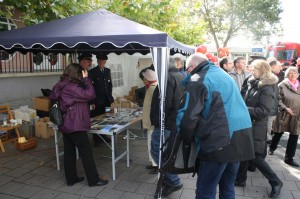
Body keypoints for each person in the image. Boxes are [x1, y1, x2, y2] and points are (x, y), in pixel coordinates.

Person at [179, 53, 255, 199]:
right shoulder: (222, 73)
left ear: (194, 66)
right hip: (240, 137)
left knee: (205, 190)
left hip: (219, 140)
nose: (186, 72)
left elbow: (188, 118)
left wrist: (186, 139)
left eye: (187, 69)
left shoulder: (198, 79)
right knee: (227, 187)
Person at [49, 63, 108, 187]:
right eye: (82, 73)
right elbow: (90, 94)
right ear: (77, 74)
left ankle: (71, 179)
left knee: (69, 152)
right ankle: (93, 180)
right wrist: (86, 79)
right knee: (86, 152)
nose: (83, 75)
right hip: (75, 124)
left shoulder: (60, 84)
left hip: (65, 123)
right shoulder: (72, 87)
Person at [235, 60, 283, 198]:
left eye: (254, 69)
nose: (251, 71)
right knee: (245, 152)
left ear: (261, 70)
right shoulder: (253, 80)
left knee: (255, 157)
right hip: (248, 122)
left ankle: (276, 182)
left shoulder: (267, 87)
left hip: (257, 126)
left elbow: (263, 111)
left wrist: (243, 109)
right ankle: (240, 179)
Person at [150, 58, 184, 197]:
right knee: (167, 153)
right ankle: (169, 178)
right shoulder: (180, 76)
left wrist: (158, 122)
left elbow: (165, 104)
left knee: (156, 152)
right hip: (175, 121)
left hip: (167, 123)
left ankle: (173, 180)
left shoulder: (167, 78)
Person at [269, 67, 300, 167]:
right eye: (290, 73)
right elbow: (277, 99)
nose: (293, 75)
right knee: (278, 132)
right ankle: (272, 148)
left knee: (294, 135)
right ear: (287, 75)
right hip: (284, 113)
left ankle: (289, 158)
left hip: (297, 114)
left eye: (294, 73)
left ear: (297, 75)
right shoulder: (281, 85)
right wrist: (285, 108)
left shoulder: (299, 85)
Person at [88, 53, 114, 146]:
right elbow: (89, 88)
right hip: (97, 101)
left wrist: (111, 99)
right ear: (97, 61)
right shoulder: (92, 72)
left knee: (106, 118)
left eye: (103, 61)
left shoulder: (107, 71)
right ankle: (96, 138)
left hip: (106, 100)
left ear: (105, 62)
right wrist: (92, 101)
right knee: (97, 120)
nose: (101, 62)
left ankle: (104, 136)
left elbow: (110, 85)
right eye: (99, 60)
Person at [142, 69, 158, 174]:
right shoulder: (152, 87)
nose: (143, 81)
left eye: (144, 79)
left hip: (152, 122)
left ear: (148, 79)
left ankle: (156, 165)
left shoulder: (153, 88)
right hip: (150, 121)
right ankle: (152, 162)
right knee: (150, 143)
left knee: (153, 144)